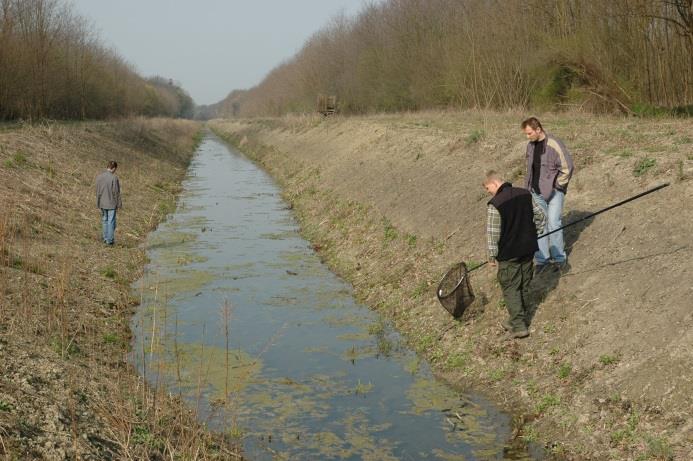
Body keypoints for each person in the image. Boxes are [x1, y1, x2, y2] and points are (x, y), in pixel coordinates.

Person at [484, 171, 546, 339]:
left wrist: (491, 256)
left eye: (488, 188)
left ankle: (519, 327)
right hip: (528, 249)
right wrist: (537, 232)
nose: (488, 192)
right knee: (524, 284)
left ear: (495, 183)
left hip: (508, 254)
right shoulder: (525, 193)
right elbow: (541, 215)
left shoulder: (495, 204)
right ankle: (516, 319)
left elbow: (492, 234)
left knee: (511, 288)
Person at [521, 117, 574, 272]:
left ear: (538, 130)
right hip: (535, 193)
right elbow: (529, 169)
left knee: (554, 223)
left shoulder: (554, 144)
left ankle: (559, 259)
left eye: (529, 133)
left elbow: (568, 167)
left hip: (554, 194)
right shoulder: (530, 146)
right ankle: (542, 260)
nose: (527, 136)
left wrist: (557, 187)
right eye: (526, 134)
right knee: (539, 225)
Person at [95, 160, 122, 246]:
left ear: (107, 167)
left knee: (104, 220)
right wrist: (119, 204)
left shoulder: (99, 177)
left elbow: (97, 191)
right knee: (111, 221)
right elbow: (116, 192)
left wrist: (98, 202)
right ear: (114, 168)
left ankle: (105, 237)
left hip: (102, 202)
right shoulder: (114, 178)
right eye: (115, 169)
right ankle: (110, 241)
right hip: (111, 203)